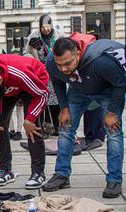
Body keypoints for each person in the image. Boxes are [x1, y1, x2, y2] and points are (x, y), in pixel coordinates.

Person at [42, 34, 126, 198]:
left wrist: (111, 113)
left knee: (114, 133)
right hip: (78, 90)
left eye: (68, 63)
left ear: (78, 53)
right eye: (60, 65)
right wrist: (64, 108)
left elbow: (121, 83)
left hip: (107, 91)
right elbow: (58, 82)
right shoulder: (52, 62)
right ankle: (62, 175)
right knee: (65, 129)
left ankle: (114, 180)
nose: (64, 69)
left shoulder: (100, 61)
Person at [0, 54, 50, 189]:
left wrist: (30, 118)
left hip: (33, 82)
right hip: (6, 91)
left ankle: (38, 172)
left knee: (32, 128)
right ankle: (6, 170)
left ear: (0, 79)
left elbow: (42, 94)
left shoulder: (19, 74)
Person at [24, 14, 66, 137]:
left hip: (56, 72)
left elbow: (67, 49)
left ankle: (58, 127)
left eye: (48, 27)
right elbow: (25, 53)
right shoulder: (33, 37)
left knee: (56, 100)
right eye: (43, 27)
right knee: (42, 100)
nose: (46, 30)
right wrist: (33, 58)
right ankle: (43, 127)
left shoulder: (59, 36)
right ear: (40, 27)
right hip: (41, 73)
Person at [9, 47, 25, 141]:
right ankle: (11, 130)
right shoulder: (8, 67)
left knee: (20, 112)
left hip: (20, 92)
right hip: (10, 92)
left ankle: (19, 131)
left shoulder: (22, 67)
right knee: (9, 112)